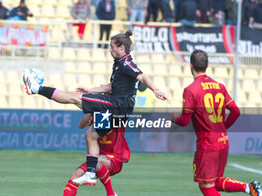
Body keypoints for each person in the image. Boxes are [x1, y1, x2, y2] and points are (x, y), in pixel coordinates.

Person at [23, 30, 167, 186]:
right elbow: (112, 86)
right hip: (118, 111)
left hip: (116, 107)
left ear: (121, 48)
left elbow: (143, 77)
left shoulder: (126, 63)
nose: (109, 50)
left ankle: (36, 88)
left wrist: (156, 89)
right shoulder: (120, 64)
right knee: (91, 136)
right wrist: (91, 90)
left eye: (112, 47)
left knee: (74, 97)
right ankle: (91, 174)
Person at [171, 50, 262, 196]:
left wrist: (174, 118)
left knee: (206, 187)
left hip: (207, 145)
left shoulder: (191, 90)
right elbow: (236, 111)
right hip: (223, 141)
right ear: (207, 66)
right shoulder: (219, 86)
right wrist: (222, 127)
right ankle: (250, 188)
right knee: (215, 182)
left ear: (190, 66)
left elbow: (184, 121)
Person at [47, 114, 130, 196]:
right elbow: (81, 125)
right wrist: (90, 112)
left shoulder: (117, 113)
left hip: (115, 158)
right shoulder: (98, 114)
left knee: (97, 161)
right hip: (97, 157)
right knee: (76, 175)